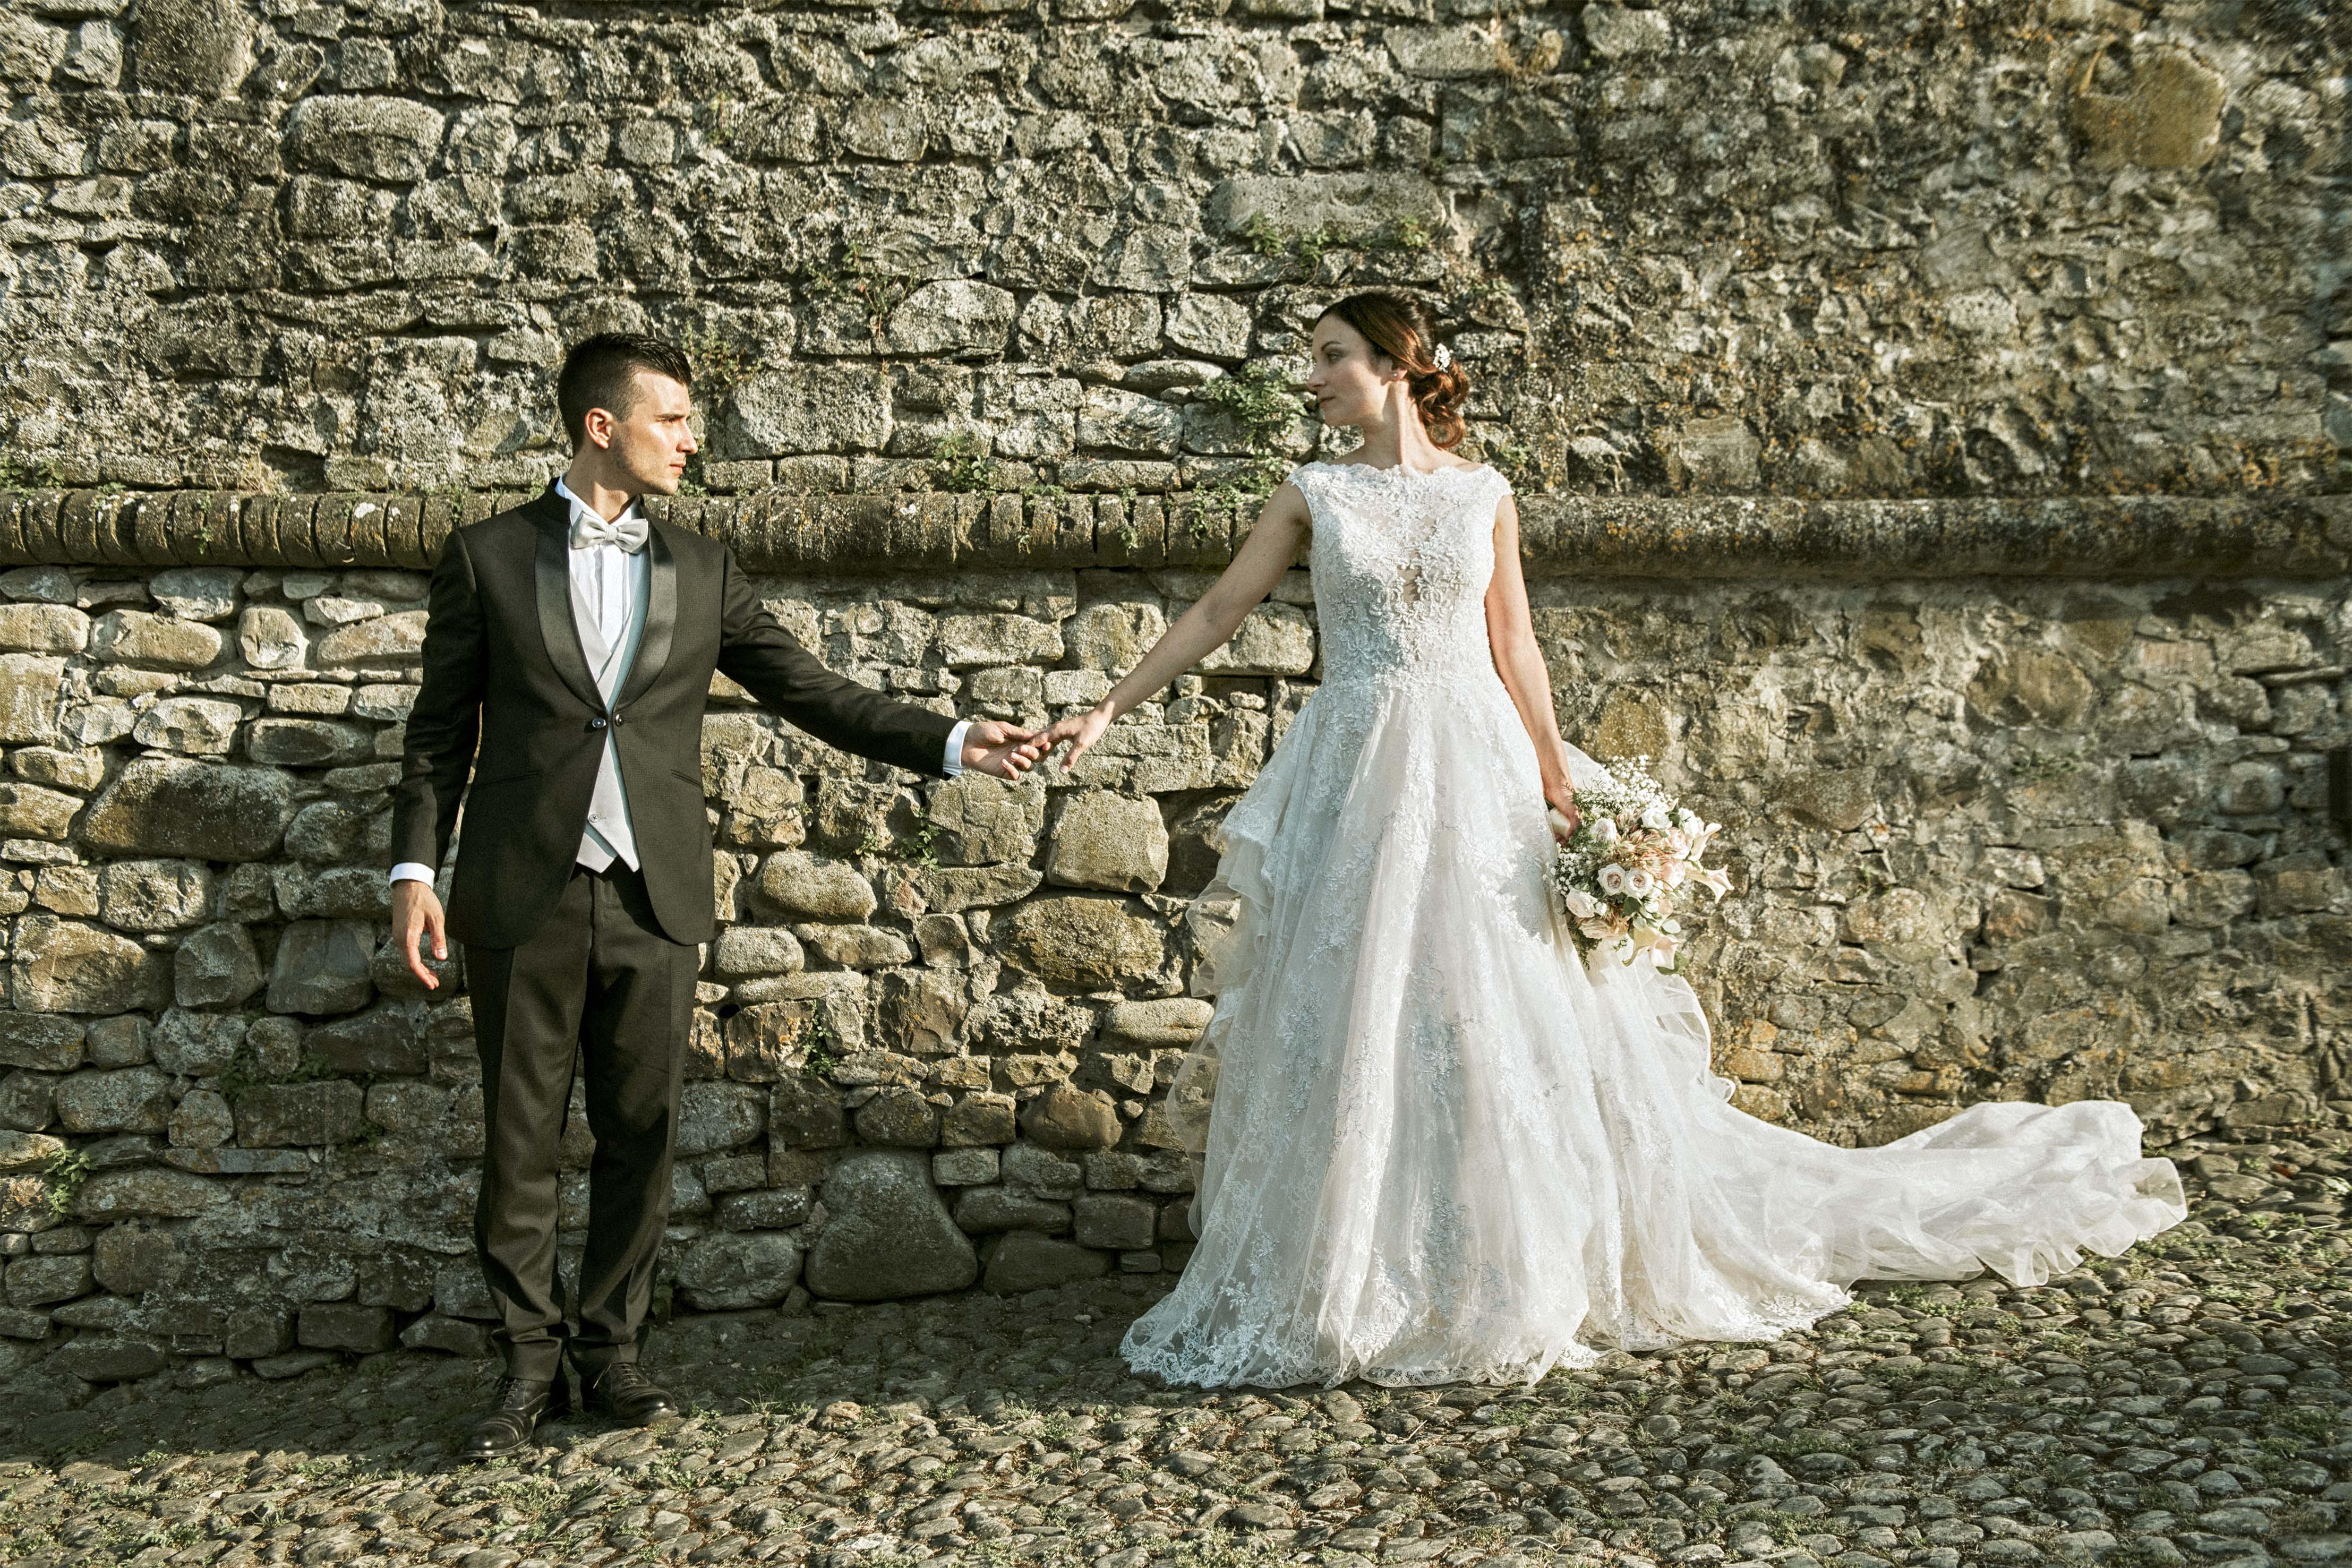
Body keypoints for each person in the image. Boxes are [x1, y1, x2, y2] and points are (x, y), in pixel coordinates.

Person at [1036, 290, 2187, 1390]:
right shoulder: (1314, 494)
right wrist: (1104, 708)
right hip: (1359, 762)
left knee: (1495, 1004)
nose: (1312, 376)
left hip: (1476, 759)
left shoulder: (1483, 494)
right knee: (1359, 1000)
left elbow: (1516, 644)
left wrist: (1553, 772)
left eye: (1331, 354)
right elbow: (1216, 611)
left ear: (1393, 365)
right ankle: (1351, 1271)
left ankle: (1501, 1262)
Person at [389, 332, 1045, 1456]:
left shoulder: (702, 568)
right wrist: (414, 870)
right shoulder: (486, 556)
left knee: (643, 1131)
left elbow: (812, 691)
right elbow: (437, 732)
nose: (691, 440)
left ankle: (613, 1353)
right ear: (603, 426)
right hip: (520, 888)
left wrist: (949, 740)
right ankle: (525, 1368)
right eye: (674, 419)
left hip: (654, 893)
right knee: (520, 1138)